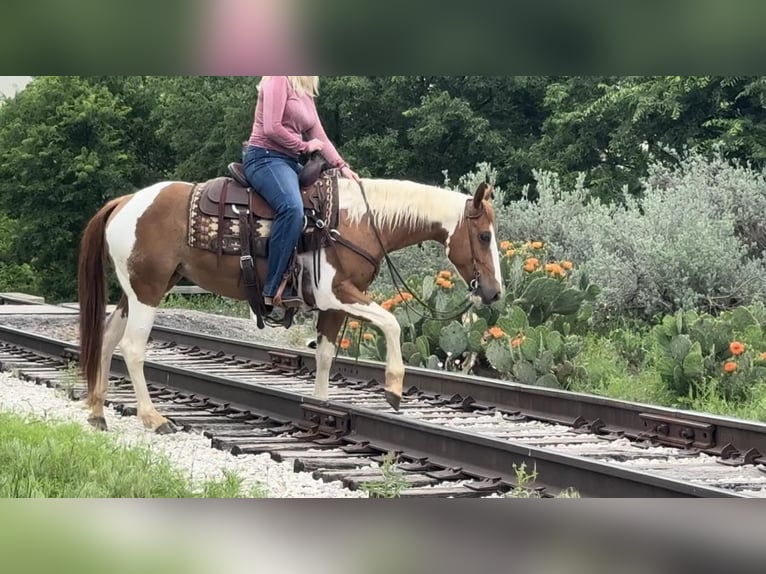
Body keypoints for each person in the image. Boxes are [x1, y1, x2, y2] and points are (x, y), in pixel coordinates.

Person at [243, 76, 360, 311]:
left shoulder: (304, 90)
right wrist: (305, 147)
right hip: (264, 157)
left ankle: (310, 278)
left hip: (287, 161)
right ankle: (272, 288)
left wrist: (342, 166)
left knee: (323, 200)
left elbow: (320, 135)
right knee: (292, 209)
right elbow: (272, 128)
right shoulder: (277, 78)